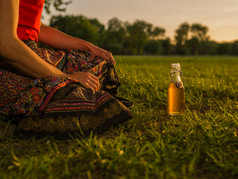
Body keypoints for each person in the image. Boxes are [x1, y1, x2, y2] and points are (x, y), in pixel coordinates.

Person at [0, 0, 132, 139]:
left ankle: (58, 90)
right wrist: (66, 77)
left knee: (95, 60)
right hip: (10, 57)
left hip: (28, 50)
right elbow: (6, 44)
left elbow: (39, 28)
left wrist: (89, 47)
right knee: (79, 102)